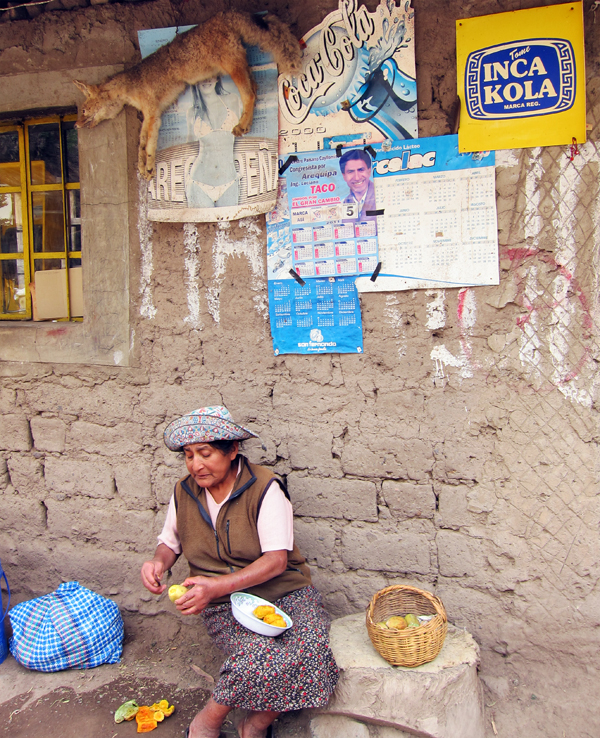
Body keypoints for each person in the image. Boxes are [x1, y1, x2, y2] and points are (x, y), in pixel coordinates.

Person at [141, 406, 339, 738]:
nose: (196, 464)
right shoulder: (184, 492)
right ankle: (214, 722)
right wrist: (158, 563)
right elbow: (169, 543)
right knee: (258, 654)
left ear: (232, 451)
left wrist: (215, 586)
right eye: (189, 455)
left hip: (284, 591)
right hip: (224, 604)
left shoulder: (264, 488)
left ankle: (246, 722)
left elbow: (276, 561)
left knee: (314, 649)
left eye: (205, 453)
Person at [185, 78, 241, 209]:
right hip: (199, 184)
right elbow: (190, 144)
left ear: (217, 78)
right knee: (202, 229)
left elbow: (240, 134)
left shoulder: (232, 100)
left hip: (229, 181)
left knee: (230, 227)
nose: (206, 80)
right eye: (201, 76)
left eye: (210, 75)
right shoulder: (192, 113)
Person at [339, 148, 377, 221]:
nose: (357, 177)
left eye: (361, 170)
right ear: (344, 176)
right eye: (350, 171)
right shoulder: (342, 204)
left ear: (369, 171)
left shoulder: (380, 196)